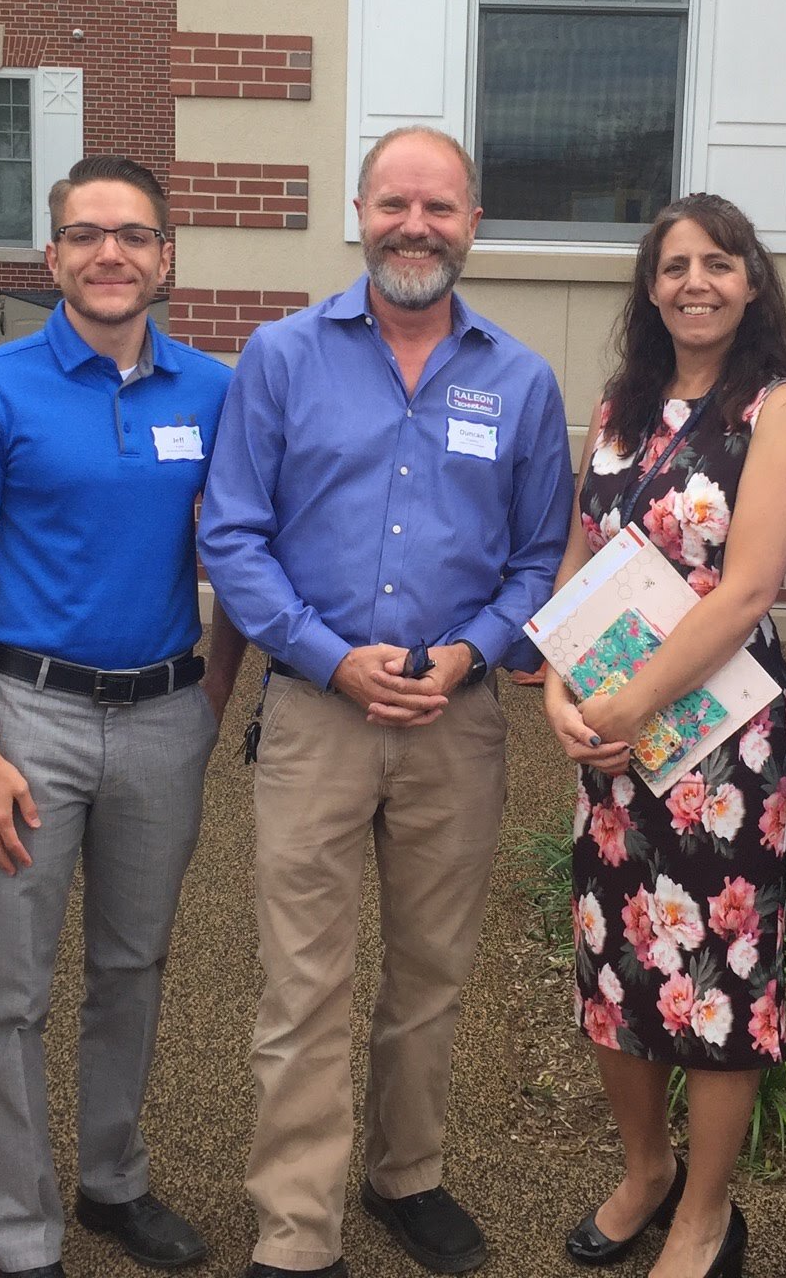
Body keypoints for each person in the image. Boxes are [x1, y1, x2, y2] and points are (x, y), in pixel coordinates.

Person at [198, 126, 573, 1278]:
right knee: (302, 977)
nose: (416, 226)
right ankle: (296, 1227)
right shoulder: (281, 357)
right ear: (358, 212)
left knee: (431, 967)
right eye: (395, 204)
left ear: (472, 223)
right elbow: (232, 531)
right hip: (317, 713)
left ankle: (407, 1173)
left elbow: (536, 553)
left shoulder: (519, 379)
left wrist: (469, 653)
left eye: (441, 208)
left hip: (452, 719)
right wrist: (322, 655)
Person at [0, 155, 242, 1278]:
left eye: (135, 235)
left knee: (133, 966)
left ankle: (111, 1179)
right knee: (9, 993)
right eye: (87, 234)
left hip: (163, 715)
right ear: (51, 257)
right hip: (27, 718)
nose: (113, 253)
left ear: (166, 260)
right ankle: (20, 1231)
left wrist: (213, 695)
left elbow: (239, 553)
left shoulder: (211, 389)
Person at [545, 193, 786, 1278]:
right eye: (672, 266)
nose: (693, 282)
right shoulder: (621, 404)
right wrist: (562, 697)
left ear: (751, 279)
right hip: (612, 748)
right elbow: (578, 560)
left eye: (716, 262)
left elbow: (746, 587)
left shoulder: (776, 408)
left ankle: (703, 1213)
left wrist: (626, 703)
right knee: (617, 964)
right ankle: (644, 1171)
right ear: (648, 288)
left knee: (714, 977)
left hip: (725, 753)